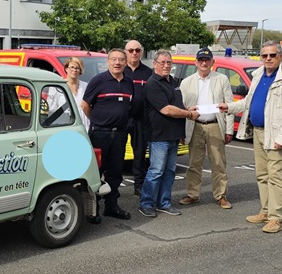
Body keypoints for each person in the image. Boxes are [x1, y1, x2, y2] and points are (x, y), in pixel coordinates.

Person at [219, 41, 282, 234]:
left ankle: (276, 218)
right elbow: (249, 101)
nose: (268, 59)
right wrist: (229, 107)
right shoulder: (258, 76)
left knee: (276, 177)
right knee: (262, 175)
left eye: (272, 55)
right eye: (265, 56)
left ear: (280, 56)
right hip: (258, 131)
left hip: (276, 135)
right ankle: (265, 211)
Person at [138, 50, 196, 218]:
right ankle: (146, 203)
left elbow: (176, 105)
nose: (166, 65)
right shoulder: (152, 84)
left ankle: (164, 203)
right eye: (162, 62)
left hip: (173, 135)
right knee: (156, 171)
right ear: (154, 64)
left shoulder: (173, 82)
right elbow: (167, 109)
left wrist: (187, 110)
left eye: (168, 63)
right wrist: (189, 115)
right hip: (159, 136)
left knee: (169, 171)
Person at [178, 47, 235, 210]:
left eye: (207, 60)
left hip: (215, 125)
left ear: (212, 62)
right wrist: (182, 131)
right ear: (196, 62)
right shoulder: (186, 82)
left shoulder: (221, 79)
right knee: (194, 163)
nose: (204, 63)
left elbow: (229, 105)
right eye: (201, 60)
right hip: (194, 126)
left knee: (218, 163)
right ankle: (193, 194)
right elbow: (181, 108)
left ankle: (221, 195)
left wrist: (229, 130)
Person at [81, 48, 134, 223]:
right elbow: (85, 105)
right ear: (108, 62)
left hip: (120, 135)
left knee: (115, 172)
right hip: (99, 134)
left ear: (126, 62)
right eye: (114, 59)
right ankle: (92, 209)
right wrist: (98, 121)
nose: (117, 63)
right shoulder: (98, 80)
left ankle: (111, 206)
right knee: (96, 173)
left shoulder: (128, 82)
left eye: (121, 60)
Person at [124, 40, 153, 195]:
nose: (134, 53)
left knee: (140, 154)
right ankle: (111, 185)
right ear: (126, 52)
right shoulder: (120, 70)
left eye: (137, 50)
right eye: (131, 50)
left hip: (141, 119)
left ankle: (139, 185)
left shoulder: (148, 73)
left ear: (141, 52)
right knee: (116, 153)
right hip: (122, 119)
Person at [63, 56, 90, 130]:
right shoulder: (58, 86)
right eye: (72, 67)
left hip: (84, 126)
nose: (74, 70)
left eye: (77, 68)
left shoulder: (86, 86)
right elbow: (52, 109)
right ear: (66, 69)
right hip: (64, 126)